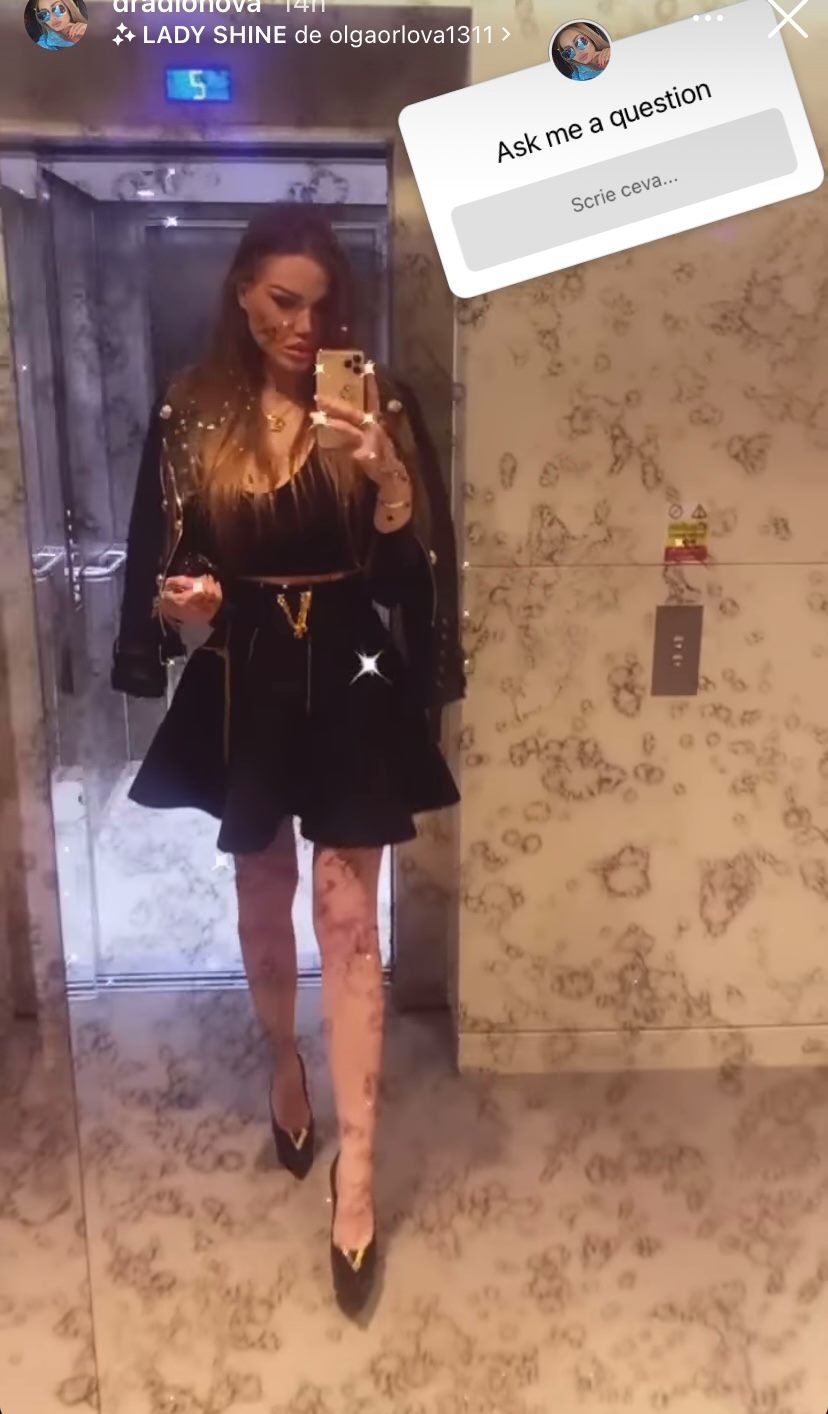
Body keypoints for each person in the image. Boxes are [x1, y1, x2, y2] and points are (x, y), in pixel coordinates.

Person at [111, 205, 465, 1317]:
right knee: (261, 895)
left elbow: (413, 577)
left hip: (352, 670)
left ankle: (356, 1175)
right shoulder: (194, 408)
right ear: (242, 294)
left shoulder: (380, 402)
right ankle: (282, 1062)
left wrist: (390, 483)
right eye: (282, 301)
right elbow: (170, 562)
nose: (305, 325)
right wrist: (184, 605)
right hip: (246, 677)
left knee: (350, 920)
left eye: (322, 304)